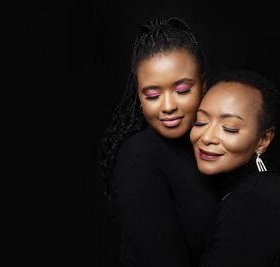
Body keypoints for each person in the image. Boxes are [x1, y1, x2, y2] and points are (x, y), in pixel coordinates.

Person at [98, 17, 219, 267]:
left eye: (182, 90)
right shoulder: (139, 161)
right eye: (152, 95)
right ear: (140, 98)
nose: (168, 107)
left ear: (203, 85)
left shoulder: (212, 145)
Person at [190, 70, 280, 266]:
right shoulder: (258, 187)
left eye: (229, 128)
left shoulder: (252, 204)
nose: (207, 137)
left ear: (263, 140)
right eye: (201, 121)